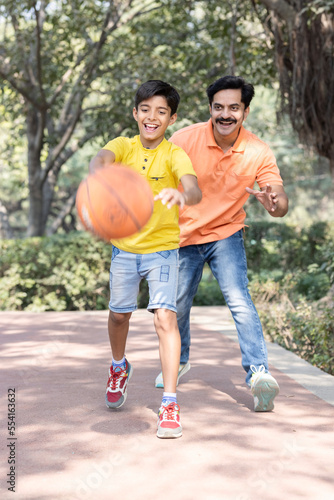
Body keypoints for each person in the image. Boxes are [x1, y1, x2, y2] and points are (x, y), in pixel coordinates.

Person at [155, 75, 289, 412]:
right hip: (183, 235)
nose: (225, 114)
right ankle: (180, 359)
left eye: (233, 107)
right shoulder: (185, 138)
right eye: (219, 107)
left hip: (226, 233)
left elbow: (279, 201)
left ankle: (259, 375)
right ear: (210, 109)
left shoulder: (258, 150)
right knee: (178, 304)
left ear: (245, 111)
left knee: (239, 300)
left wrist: (274, 203)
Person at [89, 80, 202, 438]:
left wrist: (182, 194)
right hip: (124, 248)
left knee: (165, 318)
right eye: (146, 110)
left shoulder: (174, 154)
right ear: (135, 113)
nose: (152, 117)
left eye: (162, 111)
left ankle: (169, 402)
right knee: (119, 314)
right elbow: (101, 159)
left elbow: (195, 189)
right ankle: (119, 366)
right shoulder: (123, 146)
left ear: (172, 118)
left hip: (163, 248)